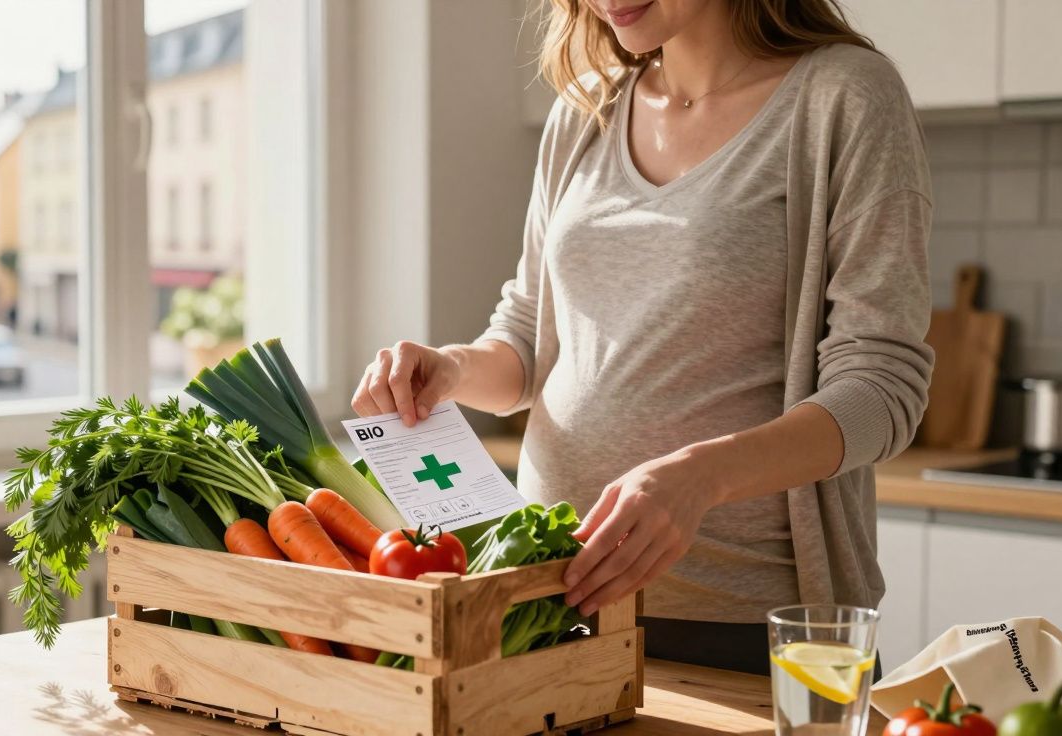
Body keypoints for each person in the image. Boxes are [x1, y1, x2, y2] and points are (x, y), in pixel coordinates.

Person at [351, 0, 933, 675]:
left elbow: (882, 388)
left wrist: (698, 479)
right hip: (548, 601)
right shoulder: (585, 111)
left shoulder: (844, 96)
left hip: (742, 624)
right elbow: (530, 340)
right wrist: (452, 368)